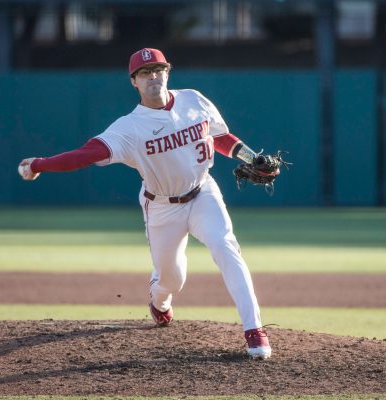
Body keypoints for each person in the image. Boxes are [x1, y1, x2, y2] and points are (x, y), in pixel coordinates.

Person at [18, 48, 276, 359]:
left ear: (168, 72)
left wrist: (250, 157)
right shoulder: (129, 128)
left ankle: (254, 330)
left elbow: (220, 137)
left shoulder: (194, 99)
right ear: (134, 82)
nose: (152, 76)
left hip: (203, 192)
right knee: (172, 278)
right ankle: (159, 301)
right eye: (144, 73)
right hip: (162, 207)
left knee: (225, 246)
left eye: (157, 69)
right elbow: (83, 156)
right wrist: (39, 165)